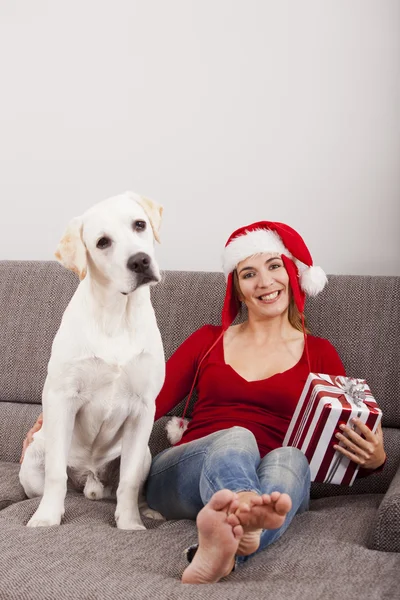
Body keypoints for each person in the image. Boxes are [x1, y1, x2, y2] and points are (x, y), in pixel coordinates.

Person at [21, 221, 386, 585]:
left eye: (274, 266)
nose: (264, 282)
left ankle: (224, 551)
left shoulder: (320, 353)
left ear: (293, 274)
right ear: (238, 290)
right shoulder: (208, 340)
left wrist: (376, 460)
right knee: (237, 437)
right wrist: (50, 428)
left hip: (275, 477)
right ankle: (246, 507)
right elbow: (136, 400)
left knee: (292, 458)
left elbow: (348, 434)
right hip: (185, 472)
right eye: (249, 274)